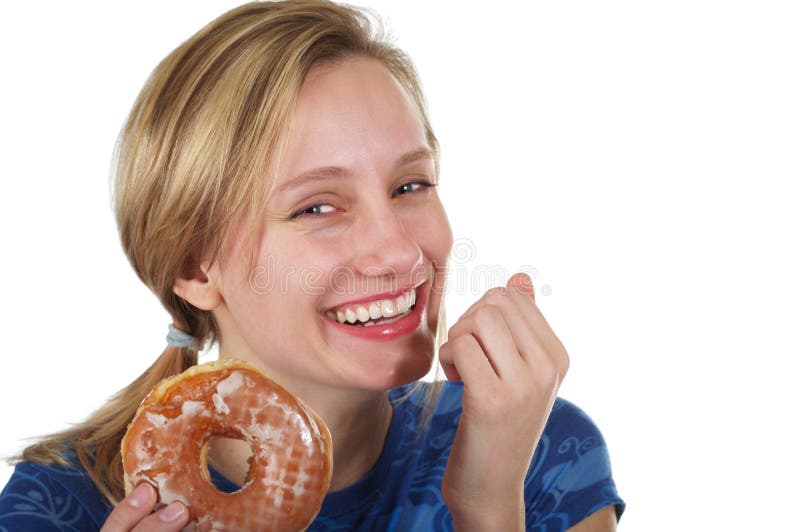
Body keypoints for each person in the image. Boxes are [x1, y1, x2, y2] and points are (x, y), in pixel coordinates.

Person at [0, 1, 624, 530]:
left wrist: (487, 504)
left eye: (411, 186)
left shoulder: (537, 453)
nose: (402, 253)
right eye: (317, 206)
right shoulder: (62, 505)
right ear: (195, 267)